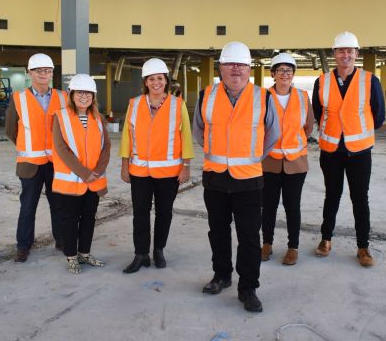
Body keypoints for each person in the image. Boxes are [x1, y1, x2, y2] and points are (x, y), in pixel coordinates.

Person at [193, 41, 279, 313]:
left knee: (250, 237)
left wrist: (252, 156)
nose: (235, 69)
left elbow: (273, 134)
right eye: (230, 64)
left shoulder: (262, 96)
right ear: (220, 68)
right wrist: (216, 153)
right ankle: (221, 276)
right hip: (215, 177)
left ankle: (248, 287)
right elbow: (199, 131)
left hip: (249, 179)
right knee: (217, 232)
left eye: (241, 64)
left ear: (249, 68)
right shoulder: (206, 95)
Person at [312, 31, 385, 267]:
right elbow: (317, 112)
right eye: (341, 50)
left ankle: (363, 247)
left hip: (360, 152)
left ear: (356, 54)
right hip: (331, 151)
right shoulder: (321, 81)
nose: (345, 55)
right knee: (331, 197)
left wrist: (354, 130)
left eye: (349, 51)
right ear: (334, 54)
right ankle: (326, 240)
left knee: (359, 199)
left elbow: (379, 115)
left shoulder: (370, 80)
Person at [119, 58, 193, 274]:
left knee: (164, 213)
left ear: (166, 81)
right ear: (146, 82)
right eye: (151, 79)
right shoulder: (134, 104)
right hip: (140, 170)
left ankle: (159, 250)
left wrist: (186, 165)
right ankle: (141, 254)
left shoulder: (177, 105)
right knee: (140, 214)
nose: (156, 83)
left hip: (169, 172)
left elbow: (185, 136)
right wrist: (124, 164)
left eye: (159, 78)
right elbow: (126, 136)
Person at [5, 53, 66, 263]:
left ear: (52, 73)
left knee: (58, 204)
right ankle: (23, 246)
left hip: (56, 164)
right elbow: (10, 130)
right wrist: (27, 146)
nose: (43, 74)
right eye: (39, 71)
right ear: (30, 73)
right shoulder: (18, 98)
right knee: (28, 206)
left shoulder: (62, 97)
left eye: (47, 71)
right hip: (29, 164)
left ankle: (62, 240)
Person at [52, 74, 110, 274]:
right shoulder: (60, 116)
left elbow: (106, 147)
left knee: (89, 218)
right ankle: (71, 256)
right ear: (72, 94)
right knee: (70, 220)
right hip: (72, 182)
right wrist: (85, 173)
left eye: (88, 93)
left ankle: (85, 253)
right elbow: (61, 149)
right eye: (80, 92)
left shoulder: (99, 118)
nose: (84, 96)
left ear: (93, 96)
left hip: (93, 181)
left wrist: (98, 170)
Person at [261, 53, 314, 266]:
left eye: (289, 71)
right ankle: (267, 243)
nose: (285, 74)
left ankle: (293, 247)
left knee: (293, 206)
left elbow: (308, 125)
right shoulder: (263, 97)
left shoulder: (302, 96)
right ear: (273, 74)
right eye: (280, 70)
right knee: (268, 205)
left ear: (293, 74)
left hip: (296, 162)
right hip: (270, 161)